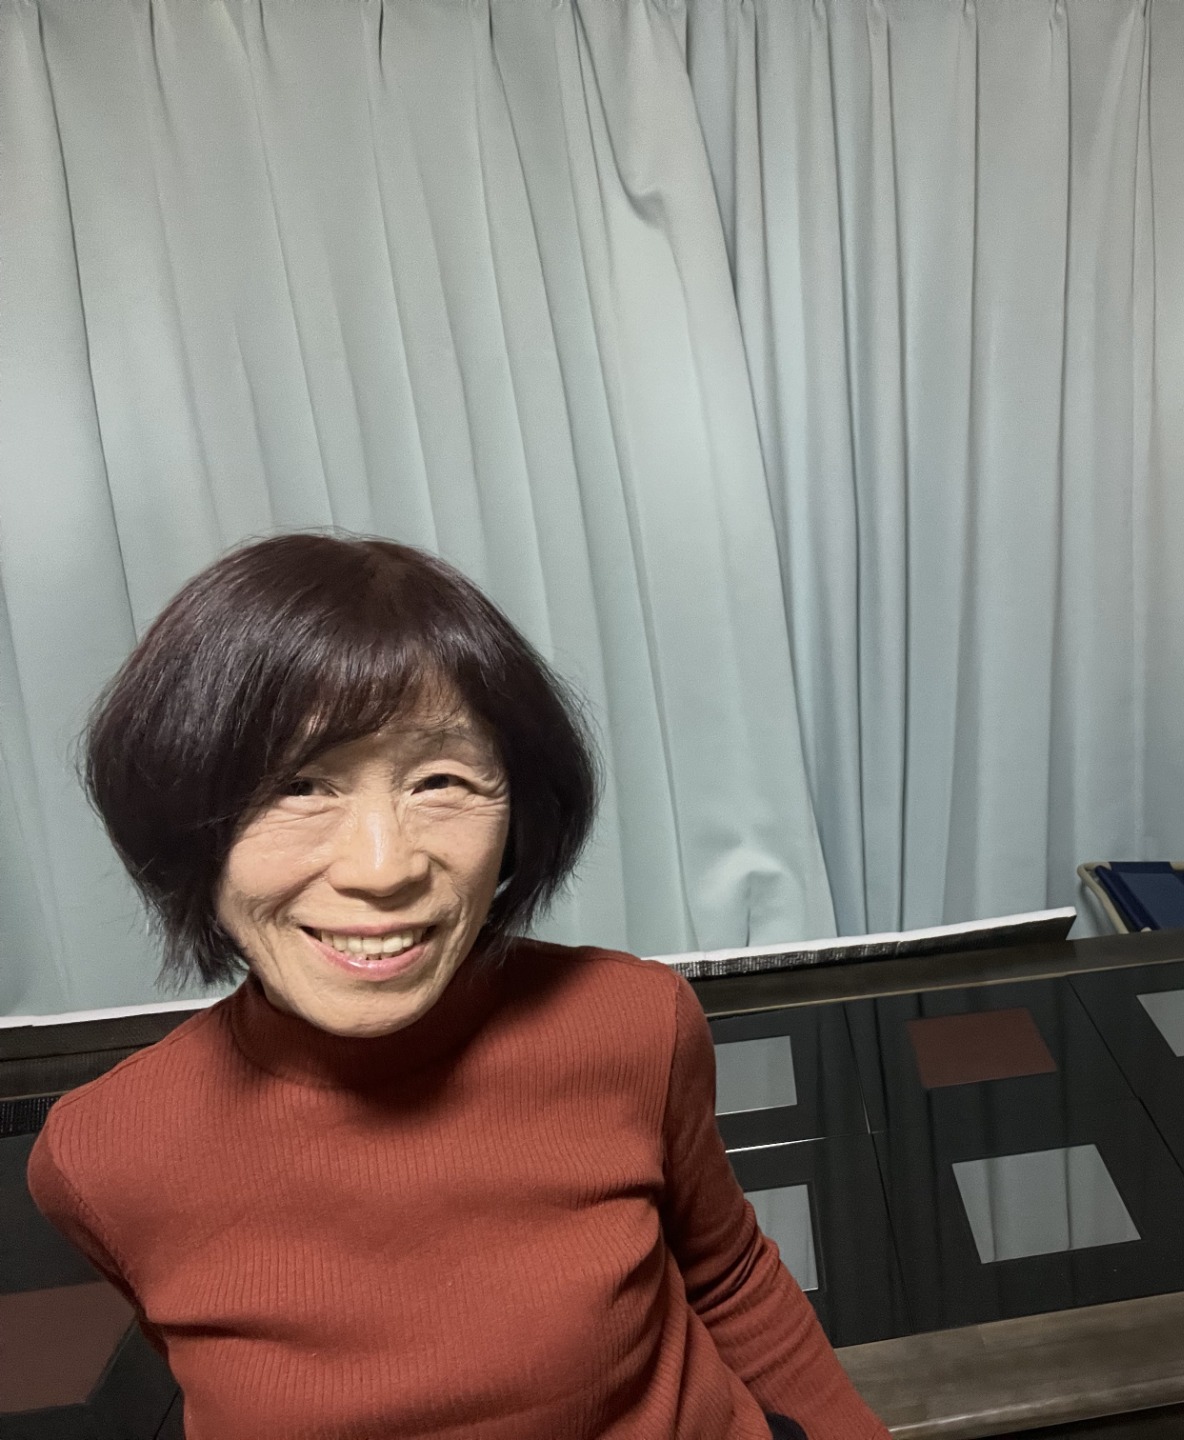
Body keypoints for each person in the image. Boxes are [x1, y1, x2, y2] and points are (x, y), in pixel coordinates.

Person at [28, 534, 889, 1440]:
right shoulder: (102, 1157)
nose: (383, 867)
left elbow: (731, 1279)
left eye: (439, 780)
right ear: (180, 821)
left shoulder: (633, 1025)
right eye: (297, 788)